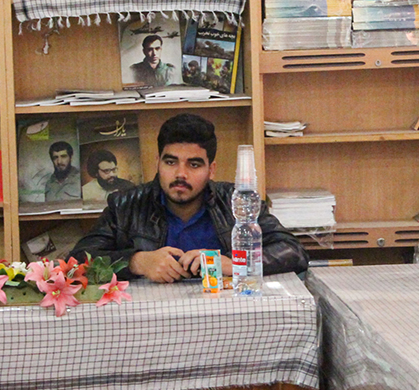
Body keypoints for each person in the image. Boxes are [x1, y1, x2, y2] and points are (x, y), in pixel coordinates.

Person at [71, 113, 307, 282]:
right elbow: (77, 261)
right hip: (148, 321)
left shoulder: (236, 201)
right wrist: (137, 262)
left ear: (211, 170)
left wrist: (232, 263)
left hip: (226, 317)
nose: (180, 174)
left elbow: (293, 252)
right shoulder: (126, 205)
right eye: (170, 162)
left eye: (194, 164)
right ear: (158, 163)